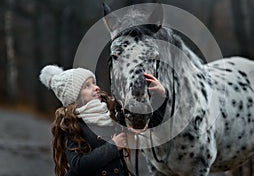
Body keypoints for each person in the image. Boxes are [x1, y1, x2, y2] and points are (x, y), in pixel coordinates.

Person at [39, 65, 167, 176]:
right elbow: (78, 165)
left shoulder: (111, 113)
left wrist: (159, 96)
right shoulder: (69, 124)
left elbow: (149, 126)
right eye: (87, 86)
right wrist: (114, 146)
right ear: (75, 96)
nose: (96, 87)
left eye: (94, 83)